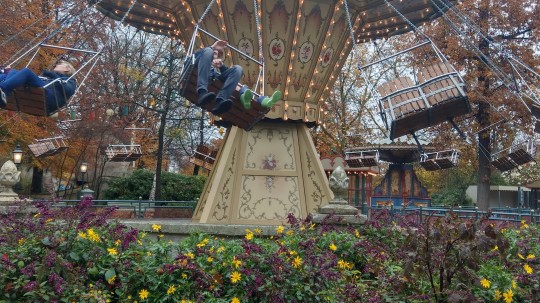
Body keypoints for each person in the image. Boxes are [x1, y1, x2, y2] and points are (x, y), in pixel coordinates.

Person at [0, 60, 77, 115]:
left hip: (48, 97)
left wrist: (52, 75)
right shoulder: (50, 79)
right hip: (42, 92)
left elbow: (66, 89)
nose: (57, 65)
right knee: (10, 73)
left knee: (26, 72)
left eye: (60, 64)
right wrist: (8, 72)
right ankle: (3, 90)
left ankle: (3, 90)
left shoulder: (70, 81)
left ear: (67, 69)